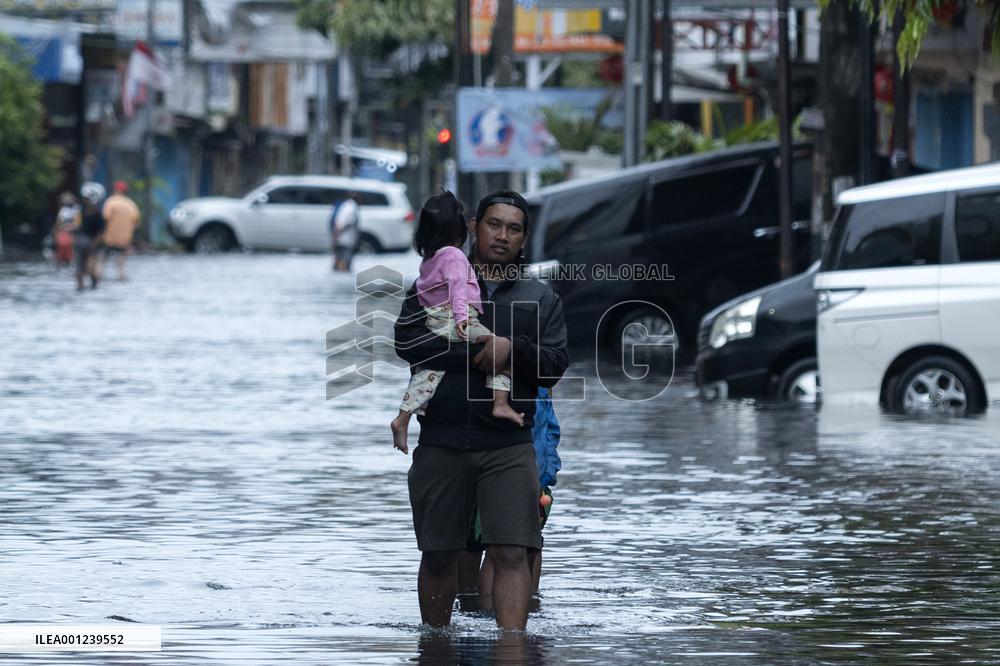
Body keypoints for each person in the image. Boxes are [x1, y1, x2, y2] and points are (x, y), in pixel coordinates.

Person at [393, 190, 570, 631]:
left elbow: (554, 366)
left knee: (513, 551)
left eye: (513, 228)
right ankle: (434, 648)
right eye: (494, 224)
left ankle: (512, 650)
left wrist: (511, 349)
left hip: (509, 444)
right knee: (438, 555)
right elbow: (406, 343)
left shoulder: (540, 297)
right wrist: (481, 352)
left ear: (525, 238)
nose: (502, 235)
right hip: (441, 440)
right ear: (474, 227)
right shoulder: (435, 278)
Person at [390, 191, 525, 455]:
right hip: (455, 318)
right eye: (493, 225)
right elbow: (458, 290)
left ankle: (403, 416)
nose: (501, 235)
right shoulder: (453, 256)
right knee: (500, 352)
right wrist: (464, 320)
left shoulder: (430, 258)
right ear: (466, 228)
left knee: (429, 372)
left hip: (434, 319)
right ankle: (500, 402)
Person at [459, 386, 561, 603]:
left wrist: (547, 472)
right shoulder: (494, 388)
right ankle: (481, 608)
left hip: (535, 477)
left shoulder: (540, 389)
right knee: (500, 551)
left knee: (531, 545)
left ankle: (528, 605)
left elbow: (551, 431)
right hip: (502, 473)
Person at [99, 180, 141, 281]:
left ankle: (99, 274)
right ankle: (120, 275)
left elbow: (105, 218)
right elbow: (136, 221)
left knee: (103, 257)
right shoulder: (131, 204)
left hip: (109, 237)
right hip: (124, 238)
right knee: (121, 258)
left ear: (116, 190)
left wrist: (100, 233)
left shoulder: (111, 202)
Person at [75, 182, 106, 291]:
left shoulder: (98, 215)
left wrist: (94, 244)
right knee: (79, 270)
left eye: (86, 198)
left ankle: (94, 284)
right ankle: (81, 286)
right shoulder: (81, 212)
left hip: (92, 243)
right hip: (81, 242)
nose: (84, 200)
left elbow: (100, 233)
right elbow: (77, 227)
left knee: (91, 267)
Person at [330, 192, 360, 271]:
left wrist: (335, 234)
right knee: (344, 261)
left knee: (338, 260)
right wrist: (338, 233)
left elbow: (338, 222)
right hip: (345, 239)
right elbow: (347, 222)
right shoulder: (352, 206)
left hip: (340, 237)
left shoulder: (344, 206)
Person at [53, 192, 81, 268]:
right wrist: (60, 229)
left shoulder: (77, 210)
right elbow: (58, 224)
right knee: (60, 245)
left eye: (69, 200)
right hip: (63, 232)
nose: (68, 202)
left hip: (73, 233)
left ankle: (71, 260)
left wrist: (69, 227)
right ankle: (59, 261)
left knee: (72, 246)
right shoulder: (62, 210)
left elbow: (78, 224)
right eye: (66, 201)